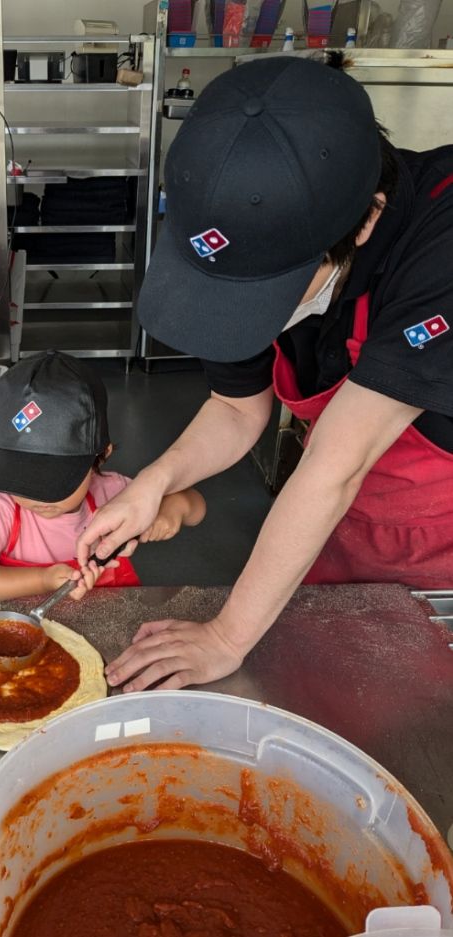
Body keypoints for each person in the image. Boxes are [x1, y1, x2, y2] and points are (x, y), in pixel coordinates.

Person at [76, 55, 453, 692]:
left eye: (265, 295)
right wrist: (153, 482)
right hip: (332, 521)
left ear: (367, 219)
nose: (250, 314)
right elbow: (236, 406)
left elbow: (339, 462)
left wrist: (228, 636)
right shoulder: (241, 222)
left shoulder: (439, 245)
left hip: (436, 545)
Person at [0, 351, 205, 602]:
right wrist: (42, 580)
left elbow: (196, 507)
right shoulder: (4, 510)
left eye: (54, 480)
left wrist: (172, 509)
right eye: (20, 479)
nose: (38, 496)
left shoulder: (115, 493)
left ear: (101, 455)